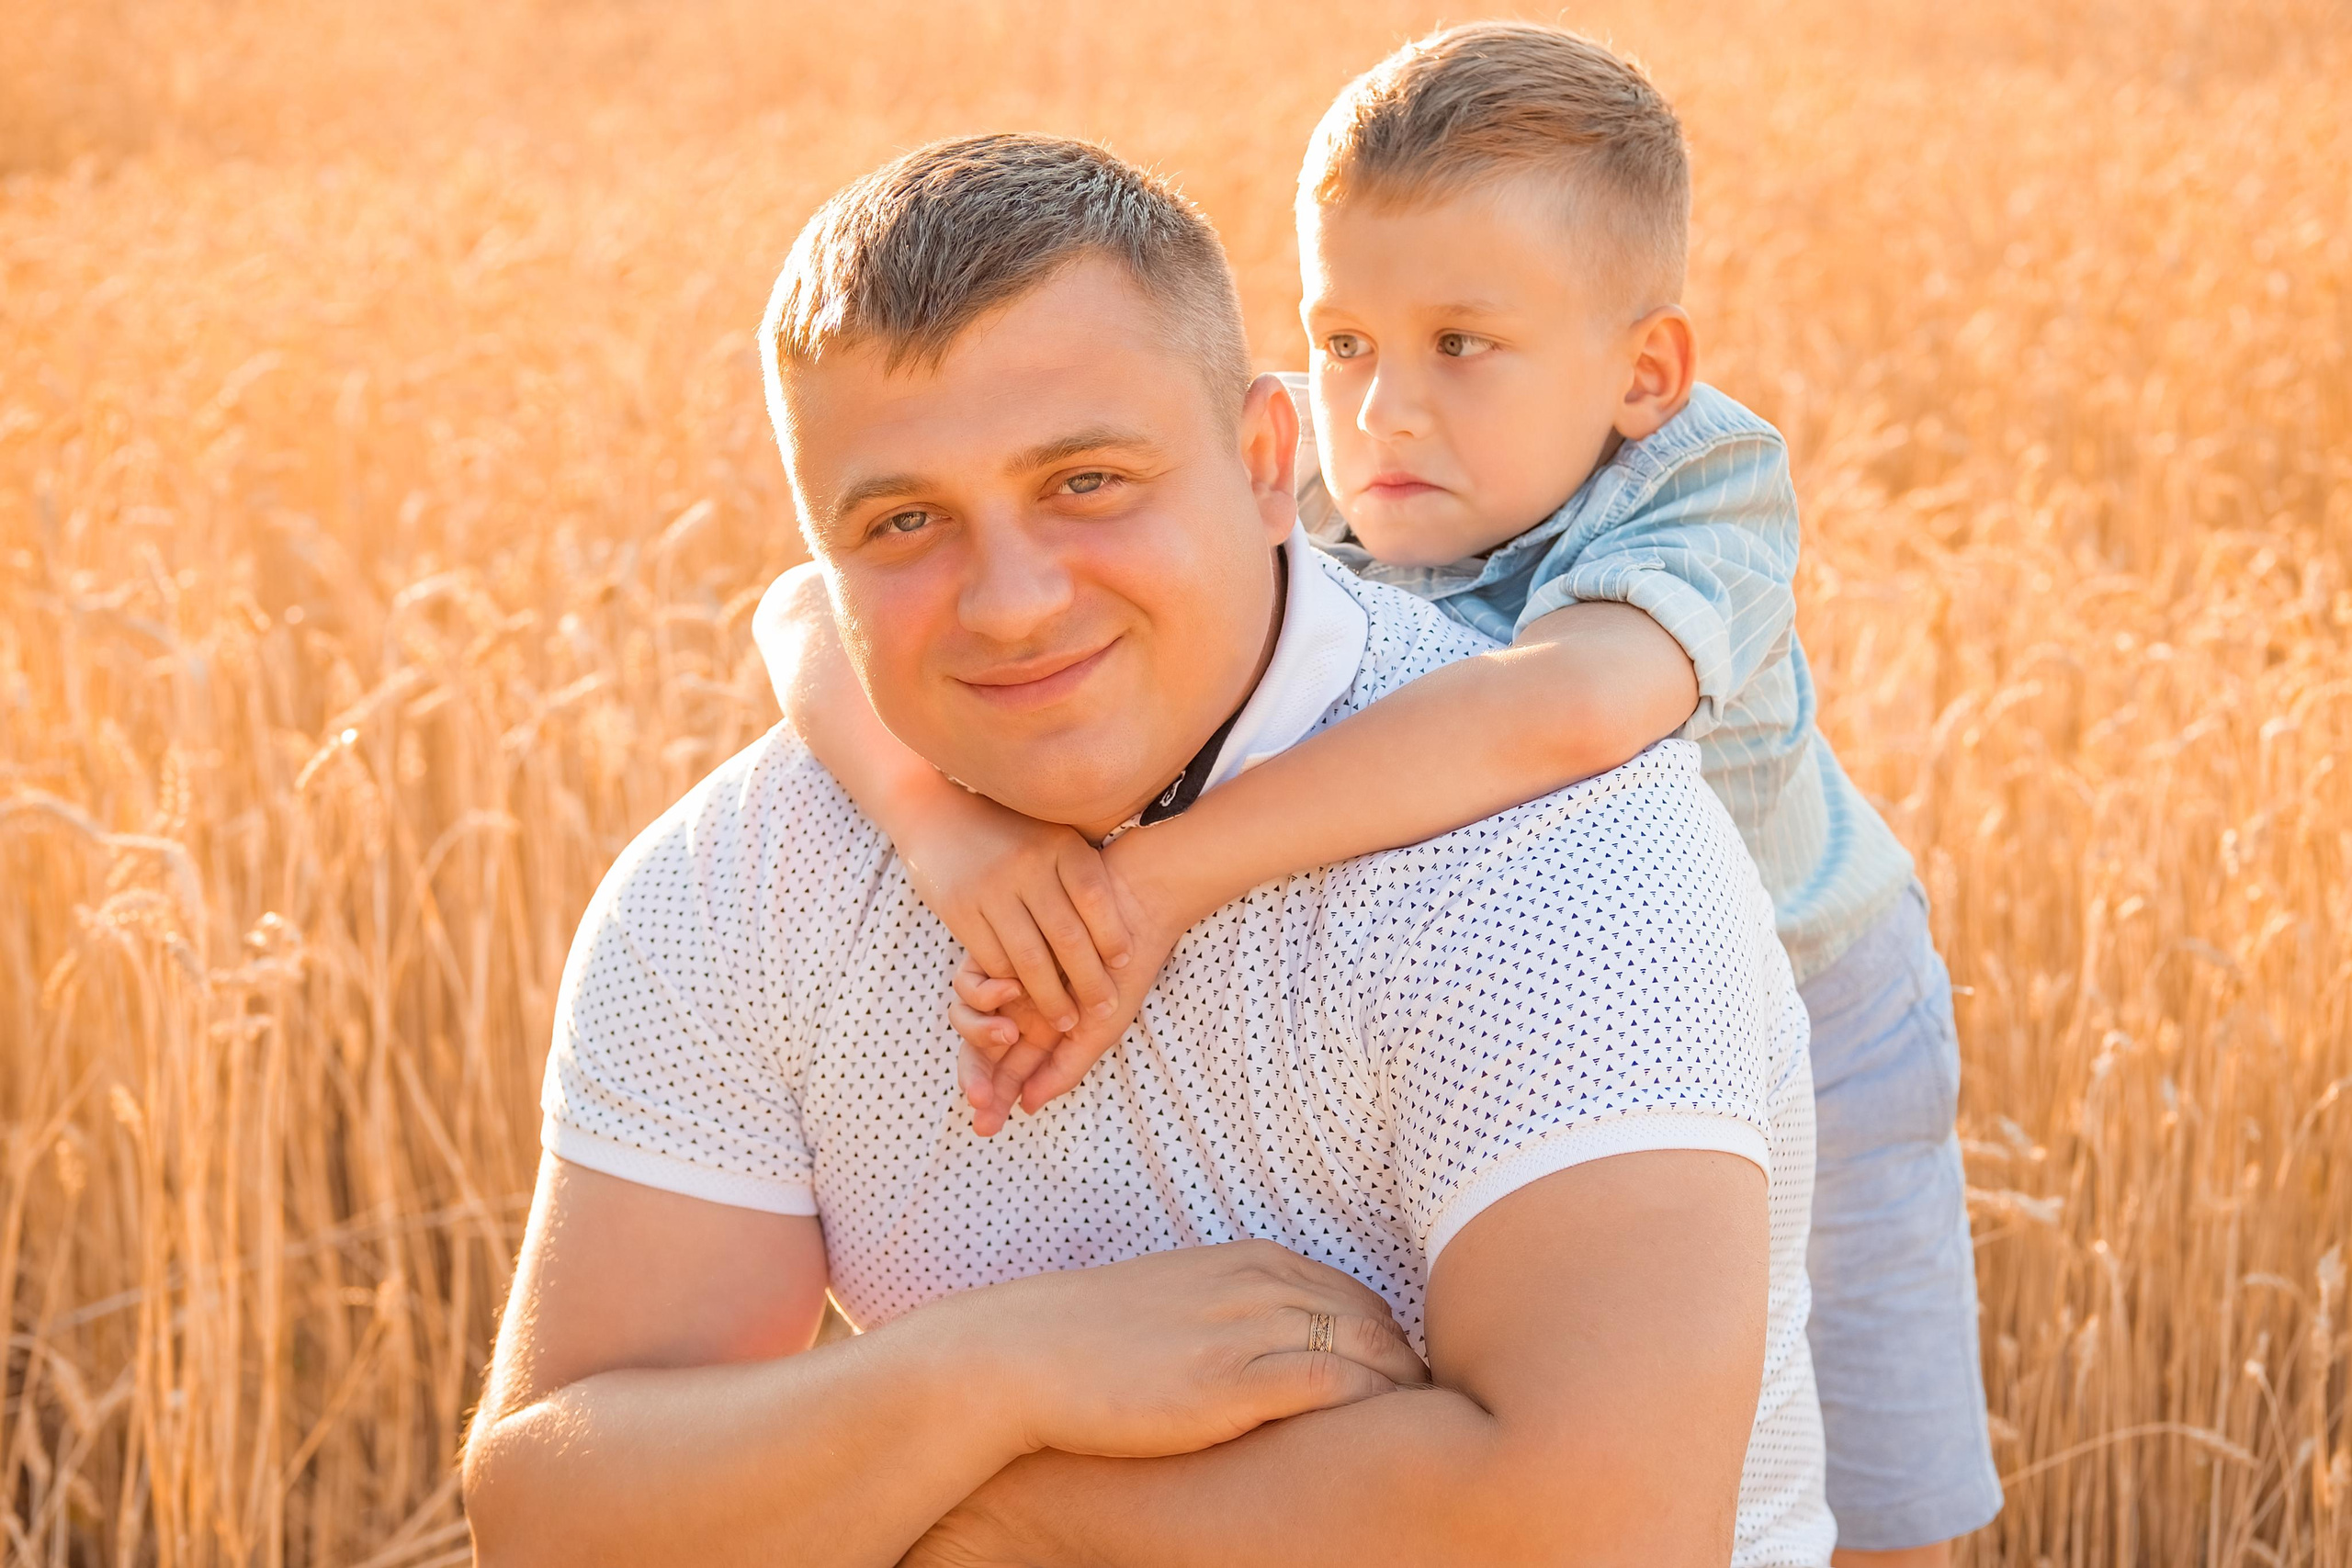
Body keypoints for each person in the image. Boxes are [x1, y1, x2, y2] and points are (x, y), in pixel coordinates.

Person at [462, 132, 1834, 1565]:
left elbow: (1594, 1533)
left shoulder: (1566, 849)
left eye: (1087, 483)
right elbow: (552, 1518)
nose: (1008, 602)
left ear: (1260, 464)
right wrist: (1005, 1371)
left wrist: (937, 1502)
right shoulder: (740, 882)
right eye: (907, 520)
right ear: (821, 550)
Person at [757, 23, 1999, 1563]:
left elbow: (1559, 714)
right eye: (1344, 341)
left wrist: (1154, 881)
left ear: (1643, 371)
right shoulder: (1320, 459)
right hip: (1526, 1020)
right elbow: (802, 612)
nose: (1387, 408)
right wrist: (954, 841)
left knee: (1862, 1475)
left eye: (1460, 346)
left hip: (1824, 1024)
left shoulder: (1697, 482)